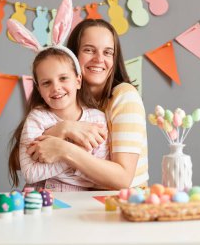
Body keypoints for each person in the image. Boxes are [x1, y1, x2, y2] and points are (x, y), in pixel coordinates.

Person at [27, 19, 149, 190]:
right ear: (73, 57)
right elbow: (31, 156)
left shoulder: (124, 96)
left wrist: (63, 149)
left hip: (125, 203)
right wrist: (64, 129)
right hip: (83, 201)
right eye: (89, 50)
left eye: (108, 52)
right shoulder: (62, 99)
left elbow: (122, 179)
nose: (99, 59)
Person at [7, 0, 109, 192]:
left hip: (81, 202)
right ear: (38, 88)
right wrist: (73, 154)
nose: (56, 88)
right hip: (38, 198)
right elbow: (30, 173)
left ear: (78, 80)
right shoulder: (37, 118)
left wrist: (61, 151)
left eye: (63, 78)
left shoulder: (96, 119)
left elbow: (98, 175)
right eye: (46, 82)